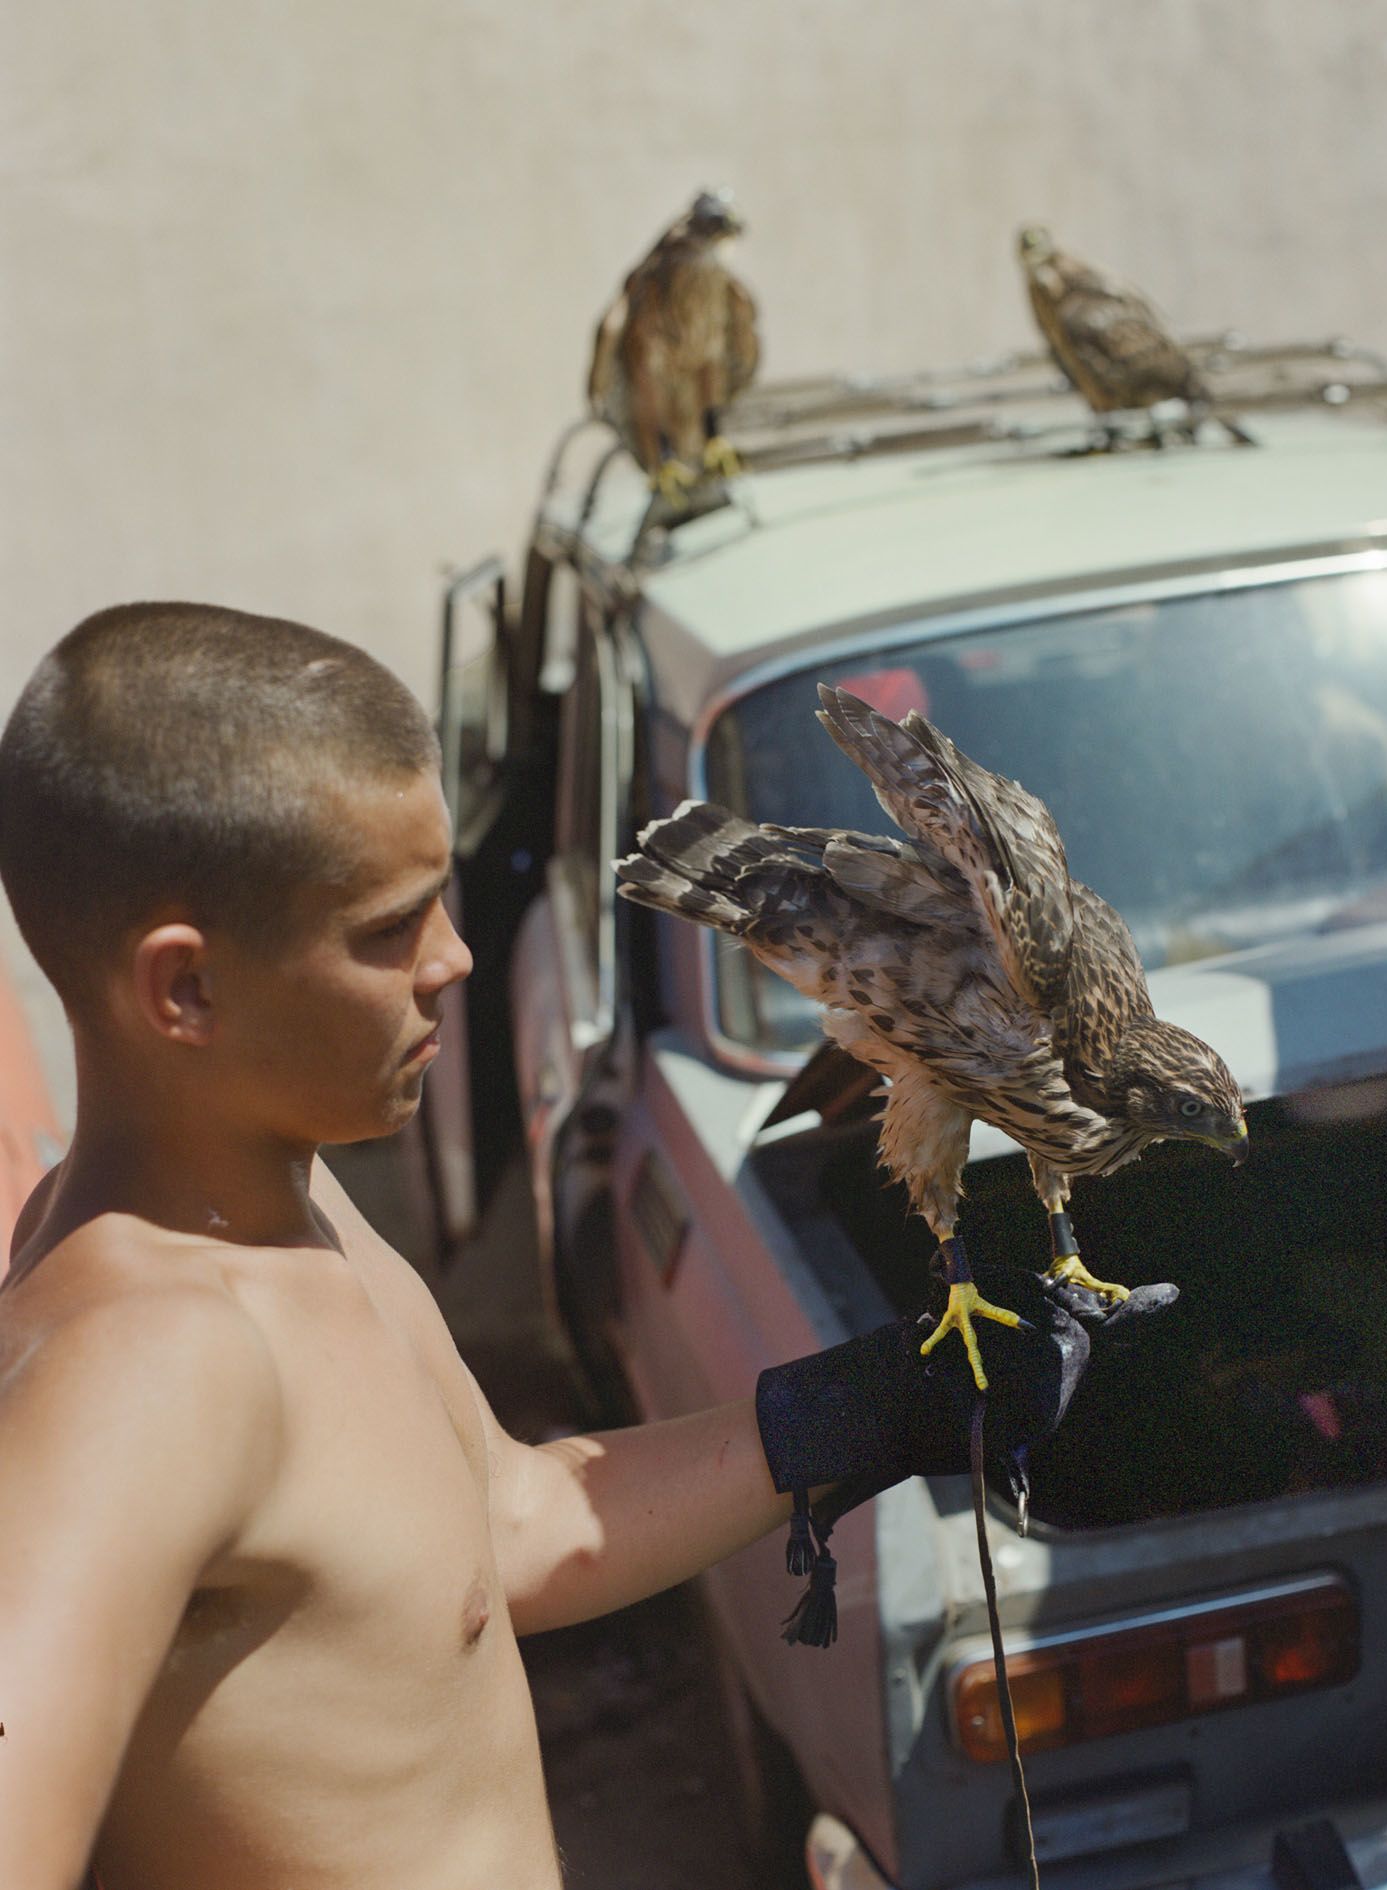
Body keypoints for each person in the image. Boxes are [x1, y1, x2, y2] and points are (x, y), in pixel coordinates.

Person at [0, 604, 1155, 1890]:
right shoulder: (147, 1367)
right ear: (186, 989)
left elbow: (503, 1520)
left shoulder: (287, 1209)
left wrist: (874, 1409)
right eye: (389, 929)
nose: (456, 957)